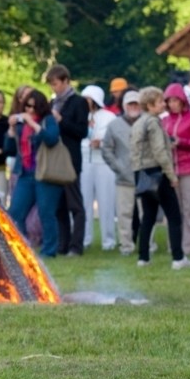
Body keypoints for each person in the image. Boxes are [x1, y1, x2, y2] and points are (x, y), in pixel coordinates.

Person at [130, 87, 190, 270]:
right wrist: (171, 175)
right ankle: (178, 258)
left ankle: (143, 257)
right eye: (160, 101)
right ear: (151, 105)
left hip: (142, 174)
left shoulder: (138, 123)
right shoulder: (154, 123)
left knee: (149, 217)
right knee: (174, 216)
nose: (164, 104)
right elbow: (160, 152)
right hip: (157, 173)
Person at [6, 89, 63, 258]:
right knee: (15, 212)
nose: (30, 110)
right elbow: (9, 149)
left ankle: (49, 250)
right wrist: (10, 128)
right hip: (25, 174)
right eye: (27, 106)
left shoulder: (48, 120)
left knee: (46, 212)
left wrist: (33, 124)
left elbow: (52, 139)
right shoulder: (20, 124)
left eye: (34, 107)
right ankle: (21, 248)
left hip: (46, 175)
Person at [45, 64, 89, 256]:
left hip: (70, 159)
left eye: (56, 83)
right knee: (58, 205)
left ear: (66, 81)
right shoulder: (51, 103)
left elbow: (82, 132)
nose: (54, 88)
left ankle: (76, 245)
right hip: (54, 159)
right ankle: (62, 243)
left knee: (75, 204)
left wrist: (61, 120)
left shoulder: (78, 102)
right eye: (51, 85)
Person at [162, 83, 190, 256]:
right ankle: (174, 245)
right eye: (169, 101)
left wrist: (182, 142)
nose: (172, 104)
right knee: (173, 209)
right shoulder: (164, 120)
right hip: (170, 169)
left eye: (175, 100)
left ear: (182, 101)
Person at [102, 89, 141, 256]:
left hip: (145, 176)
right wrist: (118, 167)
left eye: (136, 104)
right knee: (124, 213)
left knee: (147, 214)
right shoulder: (114, 125)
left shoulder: (148, 122)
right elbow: (106, 149)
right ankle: (126, 245)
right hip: (123, 178)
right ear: (124, 105)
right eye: (130, 104)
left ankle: (149, 244)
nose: (133, 107)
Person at [79, 85, 117, 251]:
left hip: (104, 163)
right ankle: (85, 238)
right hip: (84, 162)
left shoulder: (109, 117)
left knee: (106, 201)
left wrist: (101, 143)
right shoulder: (79, 116)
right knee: (84, 201)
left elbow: (115, 138)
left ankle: (108, 241)